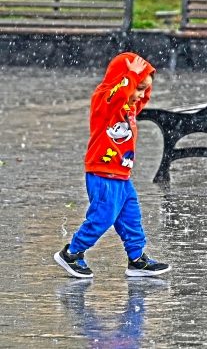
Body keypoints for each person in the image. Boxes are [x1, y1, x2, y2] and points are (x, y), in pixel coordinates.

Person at [54, 52, 171, 279]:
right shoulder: (105, 99)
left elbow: (138, 97)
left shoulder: (127, 107)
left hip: (121, 175)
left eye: (144, 89)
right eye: (137, 88)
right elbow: (119, 93)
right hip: (103, 172)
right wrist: (131, 74)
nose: (140, 95)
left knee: (131, 216)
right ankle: (71, 253)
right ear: (122, 81)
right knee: (103, 216)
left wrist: (143, 80)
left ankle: (136, 259)